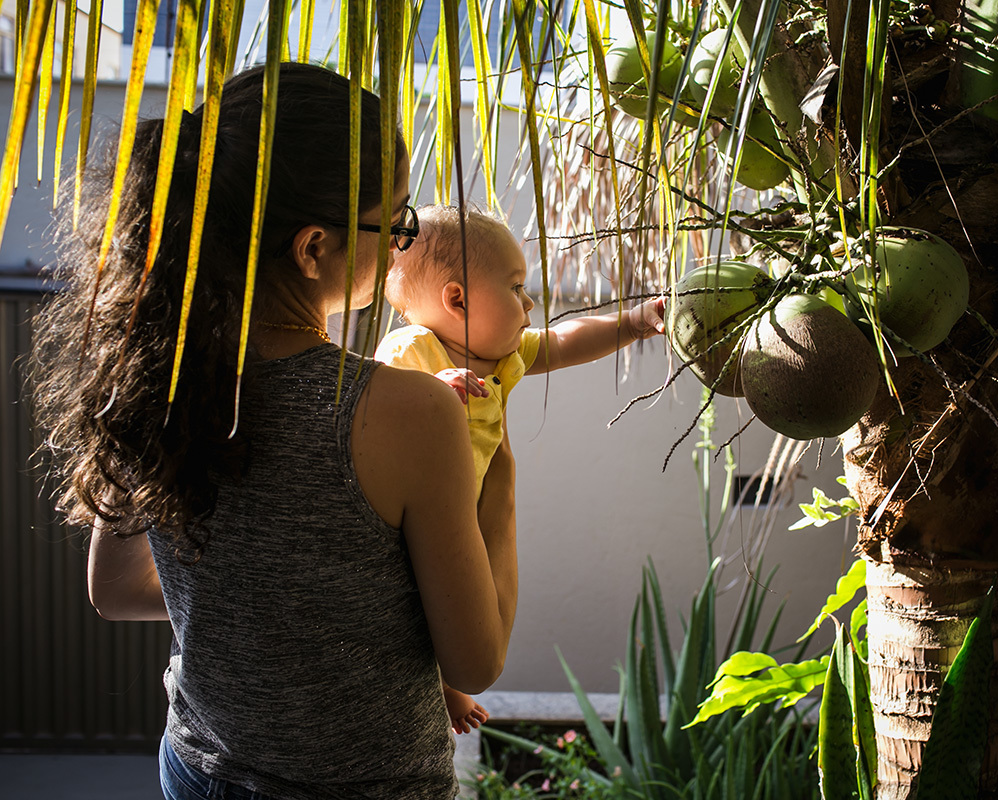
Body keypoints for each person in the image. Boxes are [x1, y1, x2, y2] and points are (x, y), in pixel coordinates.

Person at [29, 63, 516, 800]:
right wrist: (500, 479)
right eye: (394, 222)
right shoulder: (410, 412)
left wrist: (275, 600)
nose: (402, 244)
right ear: (313, 247)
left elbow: (116, 587)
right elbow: (476, 661)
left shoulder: (155, 371)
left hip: (198, 768)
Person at [375, 206, 665, 732]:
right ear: (457, 300)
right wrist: (434, 390)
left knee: (461, 600)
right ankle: (444, 685)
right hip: (407, 516)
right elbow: (380, 401)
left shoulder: (505, 357)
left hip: (466, 512)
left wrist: (632, 323)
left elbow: (565, 342)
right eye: (515, 288)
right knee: (408, 597)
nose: (530, 303)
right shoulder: (413, 348)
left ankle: (447, 677)